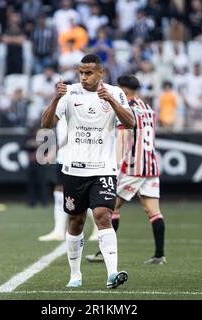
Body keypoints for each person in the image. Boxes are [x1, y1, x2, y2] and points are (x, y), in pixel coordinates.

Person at [40, 54, 135, 288]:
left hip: (103, 169)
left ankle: (112, 274)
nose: (84, 77)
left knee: (103, 216)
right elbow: (45, 125)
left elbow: (131, 122)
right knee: (76, 222)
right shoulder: (70, 93)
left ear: (100, 72)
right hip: (74, 170)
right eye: (81, 72)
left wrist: (111, 101)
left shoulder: (115, 92)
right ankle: (75, 275)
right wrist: (55, 98)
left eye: (89, 72)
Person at [86, 75, 166, 265]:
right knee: (153, 212)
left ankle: (104, 252)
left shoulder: (127, 109)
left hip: (133, 167)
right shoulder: (148, 109)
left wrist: (111, 167)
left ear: (124, 90)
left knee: (108, 207)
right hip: (151, 166)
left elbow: (123, 139)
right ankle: (159, 255)